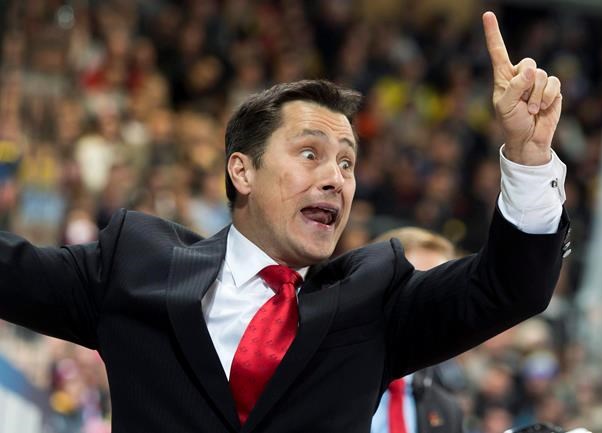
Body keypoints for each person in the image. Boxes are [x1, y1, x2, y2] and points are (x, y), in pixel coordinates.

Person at [0, 13, 570, 433]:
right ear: (242, 171)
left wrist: (527, 156)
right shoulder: (135, 263)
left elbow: (508, 287)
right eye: (310, 153)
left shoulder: (375, 301)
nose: (336, 178)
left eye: (347, 162)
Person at [370, 227, 465, 433]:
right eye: (419, 283)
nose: (434, 301)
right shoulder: (327, 379)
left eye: (444, 288)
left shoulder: (447, 409)